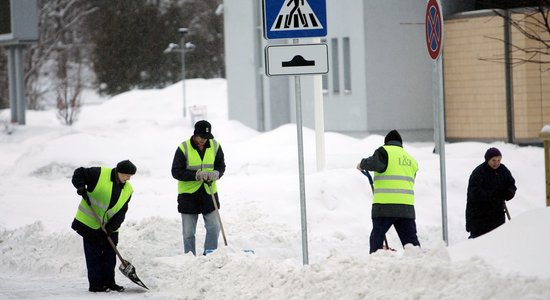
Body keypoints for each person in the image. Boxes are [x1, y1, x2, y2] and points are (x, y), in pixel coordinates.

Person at [71, 159, 137, 293]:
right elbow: (79, 173)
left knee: (110, 256)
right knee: (93, 255)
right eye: (127, 175)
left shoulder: (128, 189)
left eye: (130, 176)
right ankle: (96, 285)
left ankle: (109, 283)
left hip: (110, 227)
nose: (129, 178)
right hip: (90, 223)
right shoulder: (99, 174)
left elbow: (122, 211)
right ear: (119, 172)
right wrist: (80, 187)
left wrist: (110, 228)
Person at [357, 130, 421, 253]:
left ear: (387, 142)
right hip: (406, 208)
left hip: (384, 206)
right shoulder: (411, 160)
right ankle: (420, 264)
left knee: (377, 238)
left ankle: (376, 263)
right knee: (411, 243)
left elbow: (373, 163)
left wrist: (362, 164)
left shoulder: (384, 151)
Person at [171, 120, 226, 255]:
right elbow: (176, 171)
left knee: (214, 227)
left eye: (207, 138)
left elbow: (221, 166)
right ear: (195, 135)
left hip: (209, 193)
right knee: (189, 232)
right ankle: (190, 259)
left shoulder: (215, 146)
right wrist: (196, 175)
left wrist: (216, 173)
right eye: (202, 138)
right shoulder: (183, 148)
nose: (204, 141)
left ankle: (210, 255)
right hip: (189, 196)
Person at [466, 147, 517, 238]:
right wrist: (494, 194)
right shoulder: (479, 172)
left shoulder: (503, 170)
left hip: (497, 214)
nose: (496, 163)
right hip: (480, 215)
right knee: (479, 240)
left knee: (497, 239)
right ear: (487, 159)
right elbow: (474, 192)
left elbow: (511, 184)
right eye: (493, 160)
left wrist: (509, 192)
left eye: (499, 160)